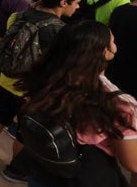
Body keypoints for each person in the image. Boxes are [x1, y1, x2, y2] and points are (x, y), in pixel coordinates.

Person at [0, 0, 86, 184]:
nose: (77, 7)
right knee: (24, 132)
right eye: (76, 3)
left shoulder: (20, 15)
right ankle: (15, 169)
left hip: (10, 81)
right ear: (63, 2)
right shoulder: (60, 31)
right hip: (34, 91)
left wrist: (10, 67)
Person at [20, 21, 137, 187]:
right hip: (85, 177)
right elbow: (132, 163)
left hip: (44, 169)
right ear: (106, 53)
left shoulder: (46, 78)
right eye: (113, 42)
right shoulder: (118, 103)